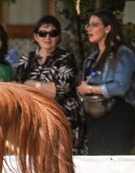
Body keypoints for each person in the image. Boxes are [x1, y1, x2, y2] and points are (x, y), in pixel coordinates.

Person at [15, 15, 86, 154]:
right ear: (36, 36)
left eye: (52, 33)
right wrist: (41, 87)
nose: (47, 38)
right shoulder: (26, 59)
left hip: (63, 119)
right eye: (42, 34)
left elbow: (59, 90)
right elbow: (17, 90)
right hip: (34, 120)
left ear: (59, 36)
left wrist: (29, 84)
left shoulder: (66, 58)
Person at [76, 10, 135, 155]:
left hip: (117, 116)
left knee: (115, 164)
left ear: (108, 28)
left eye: (95, 25)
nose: (89, 29)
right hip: (95, 117)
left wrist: (90, 89)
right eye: (88, 25)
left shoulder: (123, 53)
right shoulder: (92, 58)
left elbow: (121, 87)